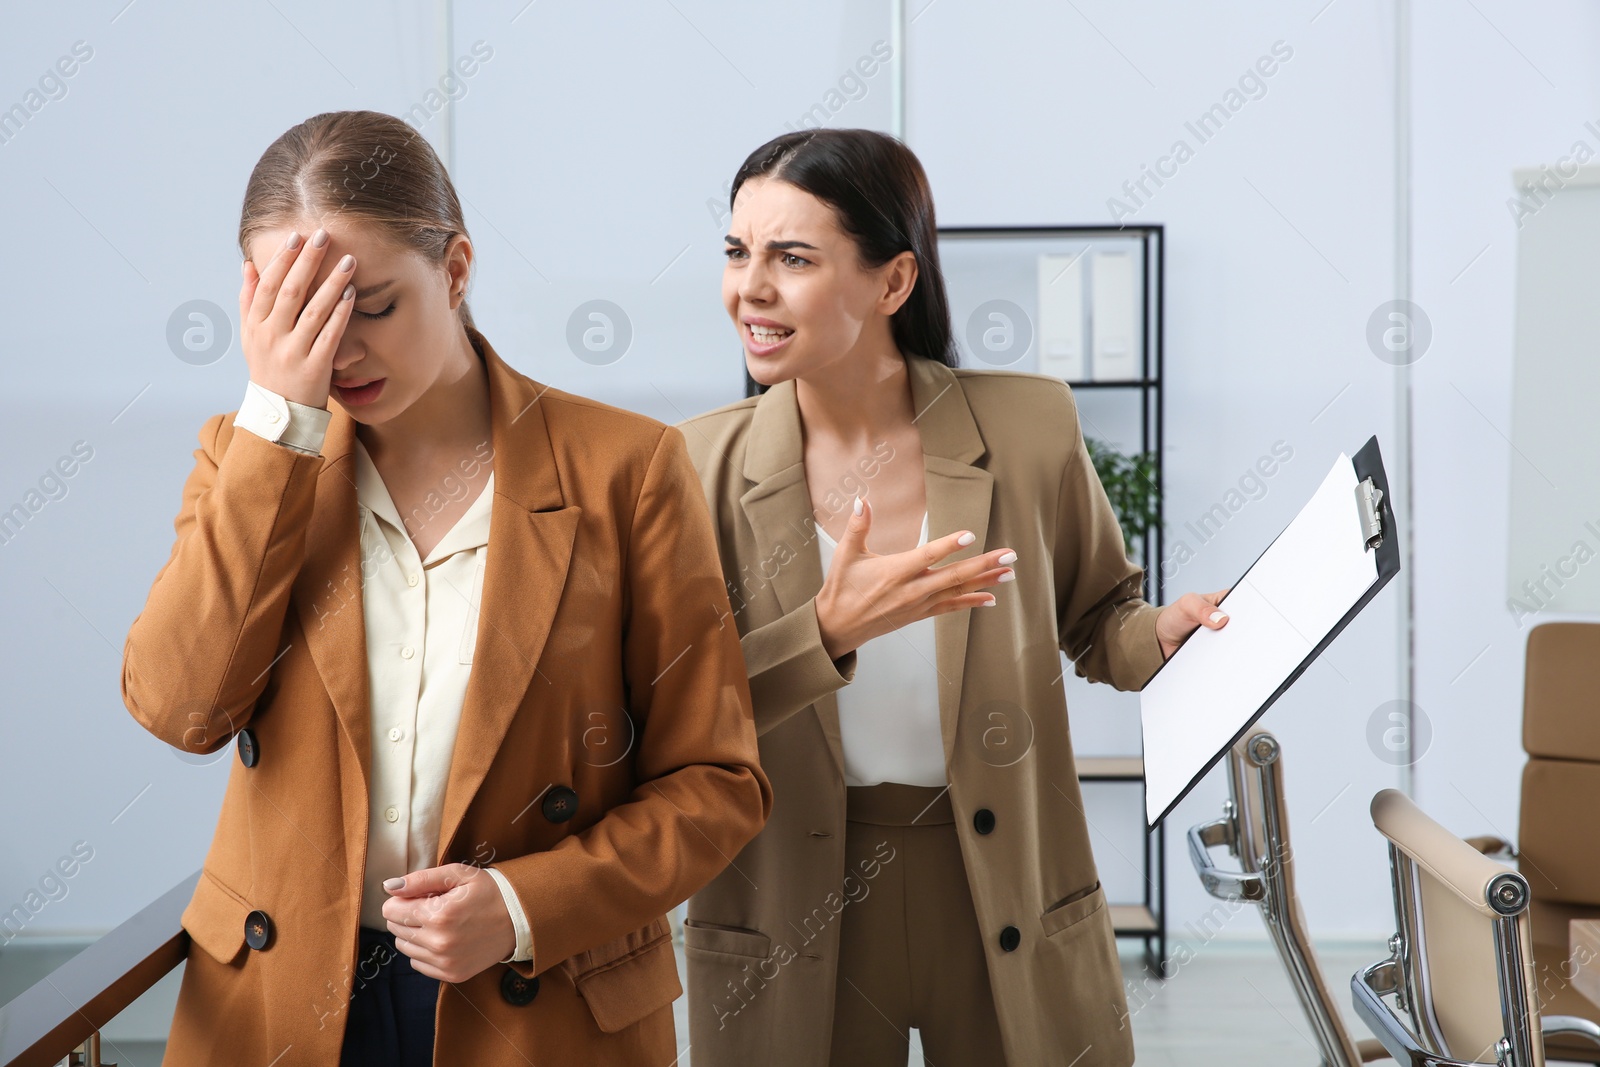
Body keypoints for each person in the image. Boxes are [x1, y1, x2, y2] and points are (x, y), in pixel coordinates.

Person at [121, 109, 771, 1067]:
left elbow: (717, 782)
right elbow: (180, 709)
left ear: (457, 269)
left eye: (369, 304)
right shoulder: (244, 453)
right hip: (284, 994)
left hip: (534, 997)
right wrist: (279, 429)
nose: (335, 352)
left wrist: (519, 906)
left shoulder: (627, 469)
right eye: (297, 313)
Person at [677, 128, 1228, 1067]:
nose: (750, 288)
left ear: (893, 283)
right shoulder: (694, 464)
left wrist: (1164, 634)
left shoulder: (1027, 424)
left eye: (792, 257)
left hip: (995, 874)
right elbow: (673, 709)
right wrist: (825, 631)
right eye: (738, 252)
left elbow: (1101, 624)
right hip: (797, 889)